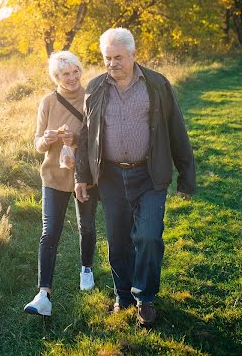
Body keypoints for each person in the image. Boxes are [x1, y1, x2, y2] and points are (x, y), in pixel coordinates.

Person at [75, 28, 196, 326]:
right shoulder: (95, 88)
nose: (112, 63)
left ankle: (145, 297)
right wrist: (82, 175)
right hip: (111, 177)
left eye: (118, 57)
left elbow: (176, 130)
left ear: (132, 55)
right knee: (117, 241)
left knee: (148, 236)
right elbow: (86, 135)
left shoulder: (156, 84)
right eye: (107, 58)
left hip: (149, 174)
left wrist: (186, 176)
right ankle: (123, 296)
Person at [24, 51, 98, 317]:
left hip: (85, 176)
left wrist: (76, 139)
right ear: (56, 77)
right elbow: (37, 144)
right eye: (65, 74)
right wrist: (47, 139)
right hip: (53, 177)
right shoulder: (47, 102)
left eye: (75, 71)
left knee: (87, 227)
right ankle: (43, 294)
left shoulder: (92, 98)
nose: (72, 78)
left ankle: (86, 268)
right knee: (49, 232)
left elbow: (98, 138)